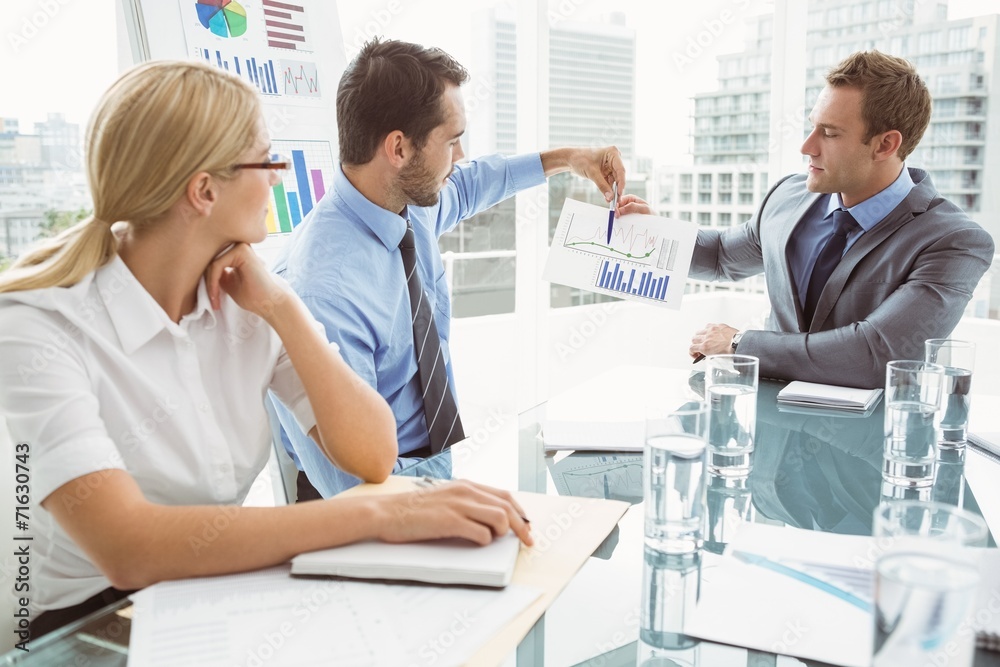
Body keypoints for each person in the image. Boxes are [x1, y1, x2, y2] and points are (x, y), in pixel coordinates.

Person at [0, 60, 532, 639]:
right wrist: (377, 513)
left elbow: (373, 453)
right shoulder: (36, 327)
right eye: (266, 160)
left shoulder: (252, 299)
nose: (278, 178)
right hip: (84, 631)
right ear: (204, 190)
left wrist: (283, 308)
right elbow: (129, 549)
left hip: (215, 600)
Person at [272, 38, 626, 498]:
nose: (459, 158)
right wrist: (461, 506)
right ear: (398, 148)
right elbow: (352, 486)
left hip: (431, 472)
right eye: (453, 141)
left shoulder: (405, 202)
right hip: (368, 510)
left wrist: (568, 160)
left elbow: (477, 181)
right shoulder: (323, 291)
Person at [622, 50, 993, 389]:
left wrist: (739, 344)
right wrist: (656, 232)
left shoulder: (954, 240)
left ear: (885, 145)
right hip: (769, 432)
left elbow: (878, 355)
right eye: (813, 125)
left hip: (865, 449)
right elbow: (721, 255)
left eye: (829, 133)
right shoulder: (788, 196)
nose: (806, 146)